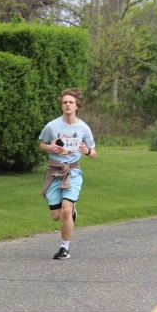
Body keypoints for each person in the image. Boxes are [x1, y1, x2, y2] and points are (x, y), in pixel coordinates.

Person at [38, 87, 96, 259]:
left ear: (77, 105)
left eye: (71, 102)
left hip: (73, 172)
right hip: (54, 171)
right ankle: (71, 210)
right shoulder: (52, 126)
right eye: (65, 103)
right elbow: (42, 144)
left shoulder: (84, 128)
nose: (68, 105)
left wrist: (86, 151)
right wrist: (51, 147)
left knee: (65, 211)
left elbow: (93, 153)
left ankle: (64, 249)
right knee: (56, 216)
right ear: (61, 105)